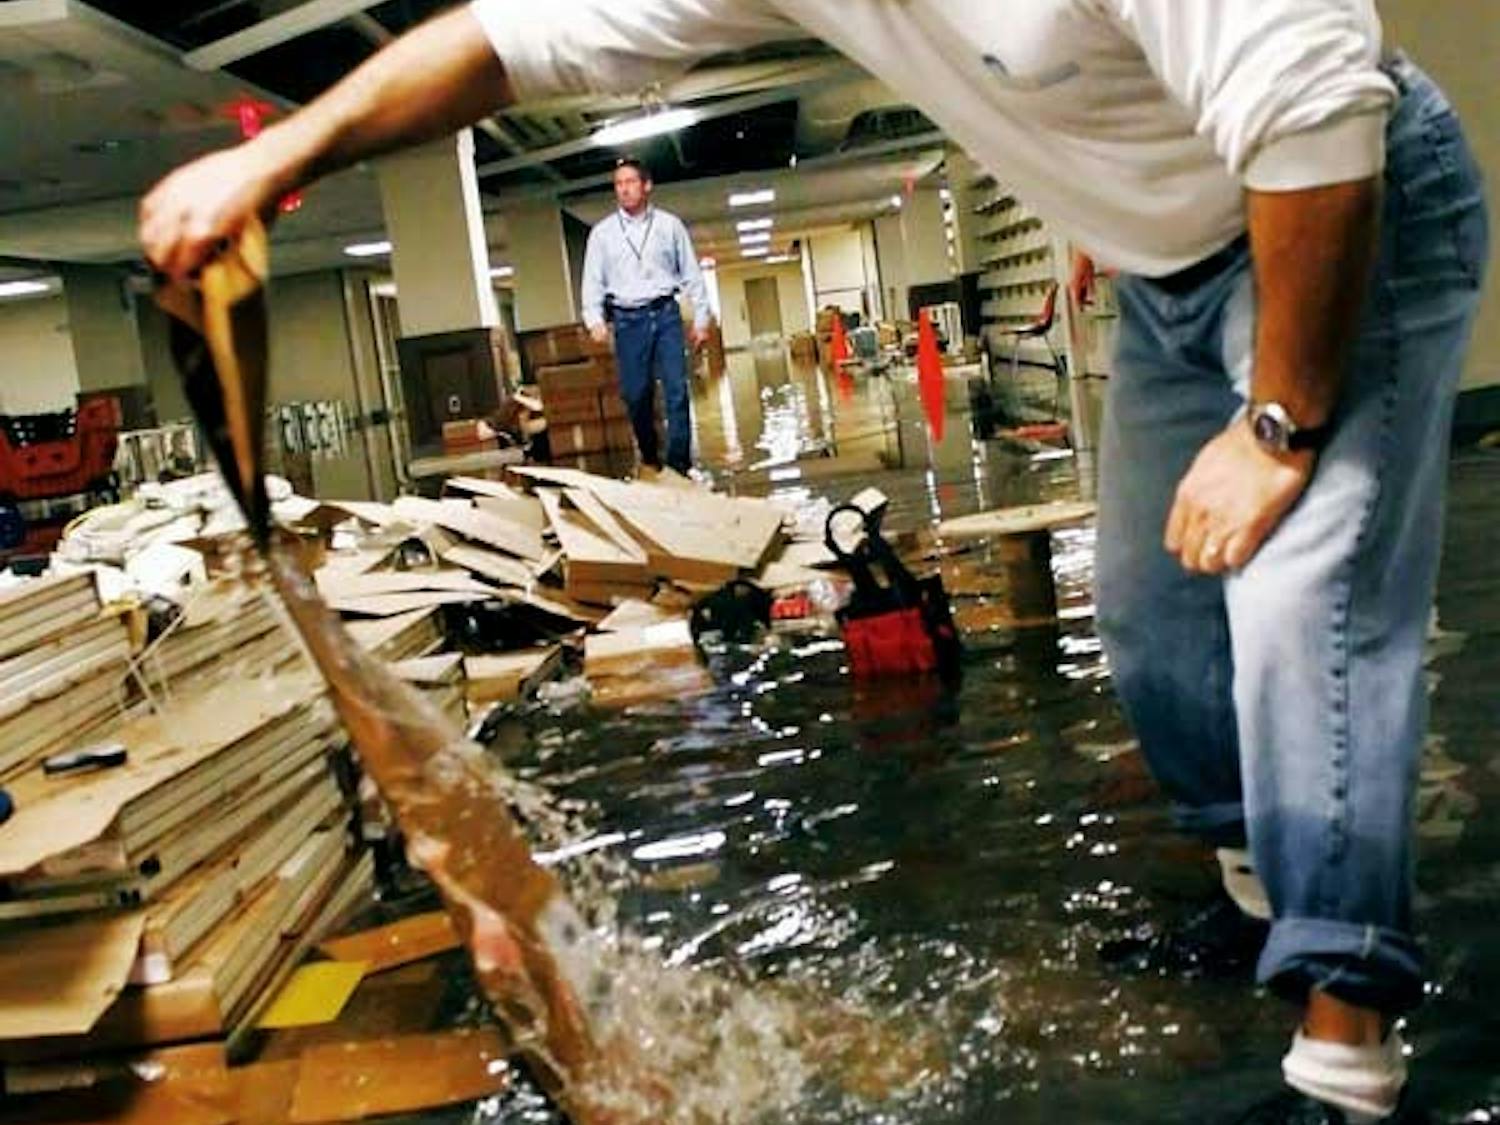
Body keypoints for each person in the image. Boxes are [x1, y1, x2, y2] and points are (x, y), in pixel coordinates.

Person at [138, 3, 1488, 1121]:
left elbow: (1316, 113)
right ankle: (1261, 903)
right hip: (1164, 264)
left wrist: (1277, 423)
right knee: (1149, 622)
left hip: (1338, 203)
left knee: (1300, 609)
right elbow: (507, 38)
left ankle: (1347, 1049)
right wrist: (281, 158)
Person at [581, 157, 711, 474]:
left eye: (630, 183)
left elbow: (692, 273)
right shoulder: (603, 234)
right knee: (636, 394)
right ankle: (651, 455)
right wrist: (594, 319)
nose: (623, 190)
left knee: (676, 391)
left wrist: (702, 319)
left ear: (646, 186)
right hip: (627, 320)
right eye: (618, 185)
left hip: (665, 313)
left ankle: (678, 465)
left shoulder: (669, 226)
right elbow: (592, 280)